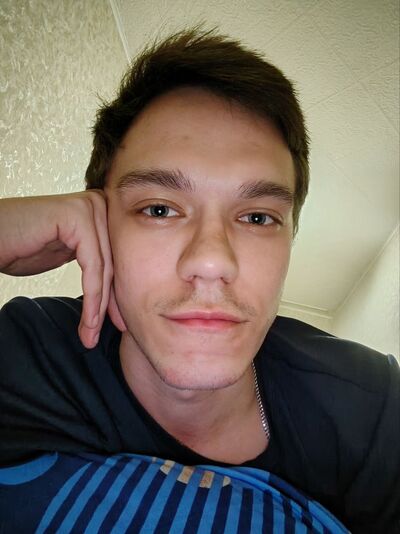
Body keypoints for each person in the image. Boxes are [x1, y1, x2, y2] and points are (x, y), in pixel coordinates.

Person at [0, 29, 398, 533]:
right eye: (159, 209)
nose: (212, 262)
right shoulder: (28, 349)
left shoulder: (372, 406)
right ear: (100, 223)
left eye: (257, 217)